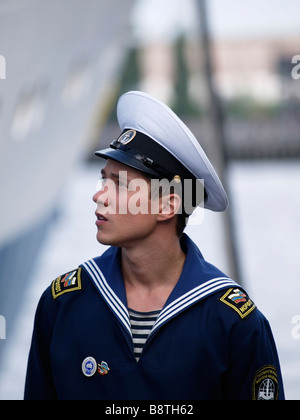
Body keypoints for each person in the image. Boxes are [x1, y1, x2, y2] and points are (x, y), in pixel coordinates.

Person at [24, 91, 284, 400]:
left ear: (168, 205)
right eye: (102, 180)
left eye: (119, 184)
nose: (100, 195)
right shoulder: (62, 304)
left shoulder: (232, 321)